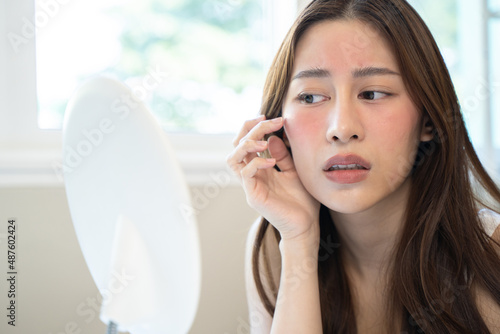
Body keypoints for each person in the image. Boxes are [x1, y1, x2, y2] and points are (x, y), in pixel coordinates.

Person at [226, 0, 500, 333]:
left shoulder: (490, 253)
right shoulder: (275, 241)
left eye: (372, 93)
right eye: (310, 97)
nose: (341, 128)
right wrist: (299, 242)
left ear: (428, 120)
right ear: (279, 127)